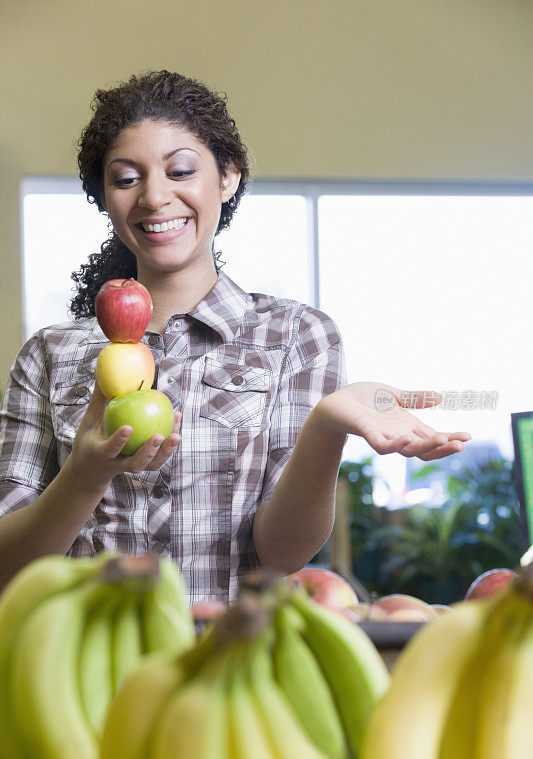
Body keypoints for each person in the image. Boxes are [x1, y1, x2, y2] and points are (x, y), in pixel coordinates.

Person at [0, 70, 471, 601]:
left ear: (227, 178)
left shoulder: (298, 337)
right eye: (126, 178)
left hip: (232, 661)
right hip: (80, 668)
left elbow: (283, 553)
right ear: (105, 198)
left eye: (180, 170)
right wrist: (84, 476)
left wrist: (328, 425)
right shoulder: (50, 355)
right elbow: (7, 567)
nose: (156, 197)